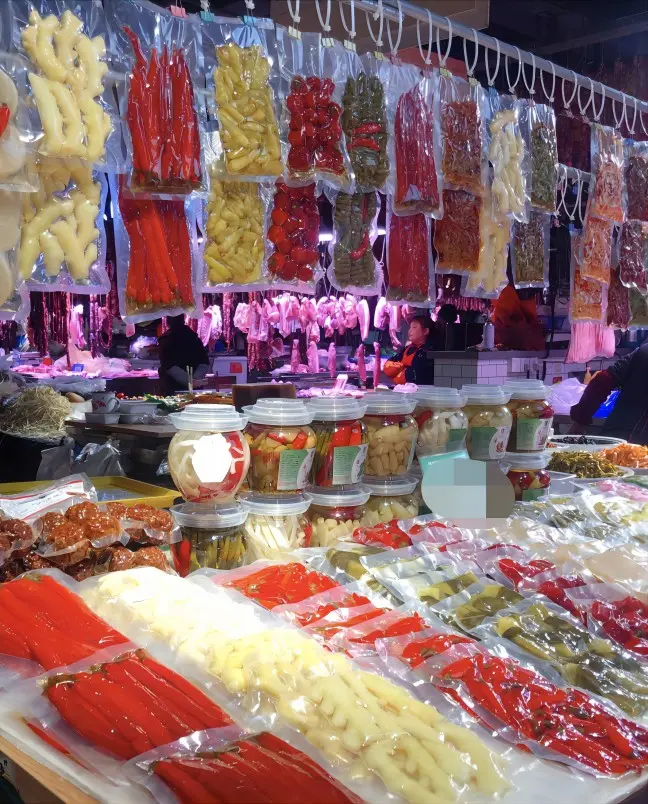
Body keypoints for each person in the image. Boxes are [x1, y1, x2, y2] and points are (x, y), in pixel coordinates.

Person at [569, 342, 648, 443]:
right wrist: (581, 418)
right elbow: (603, 380)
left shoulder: (643, 351)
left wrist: (579, 422)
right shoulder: (644, 352)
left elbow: (602, 380)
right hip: (626, 442)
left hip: (617, 437)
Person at [158, 314, 210, 395]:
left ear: (168, 321)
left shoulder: (165, 339)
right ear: (184, 319)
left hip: (172, 391)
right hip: (195, 391)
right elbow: (204, 362)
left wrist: (190, 382)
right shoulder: (194, 337)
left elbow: (168, 365)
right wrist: (194, 380)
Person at [384, 314, 435, 385]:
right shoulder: (407, 348)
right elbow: (388, 366)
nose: (409, 331)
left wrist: (399, 368)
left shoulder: (427, 351)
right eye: (410, 327)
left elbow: (415, 373)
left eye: (414, 327)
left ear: (425, 331)